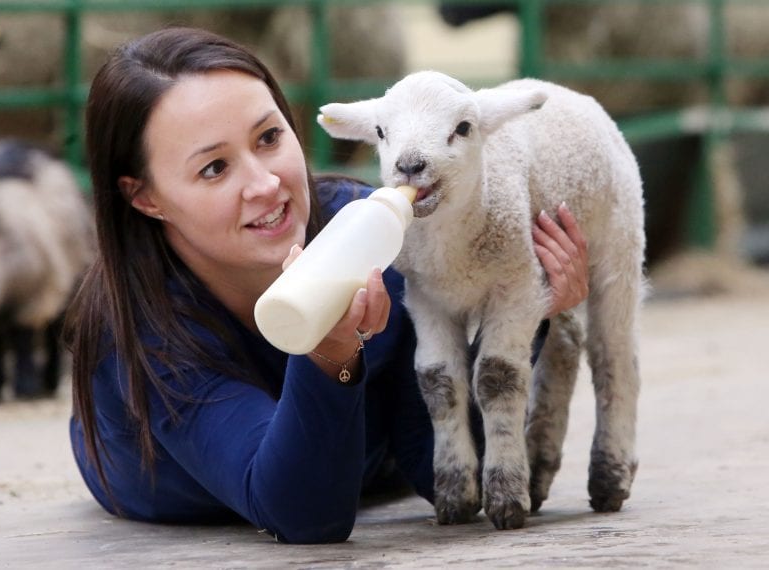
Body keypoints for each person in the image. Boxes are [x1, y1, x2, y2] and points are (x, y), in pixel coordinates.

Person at [66, 27, 590, 544]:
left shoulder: (372, 235)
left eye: (269, 138)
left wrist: (526, 311)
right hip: (212, 490)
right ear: (146, 198)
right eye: (215, 168)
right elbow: (303, 513)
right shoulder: (141, 326)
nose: (266, 184)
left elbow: (439, 469)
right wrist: (329, 353)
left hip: (365, 463)